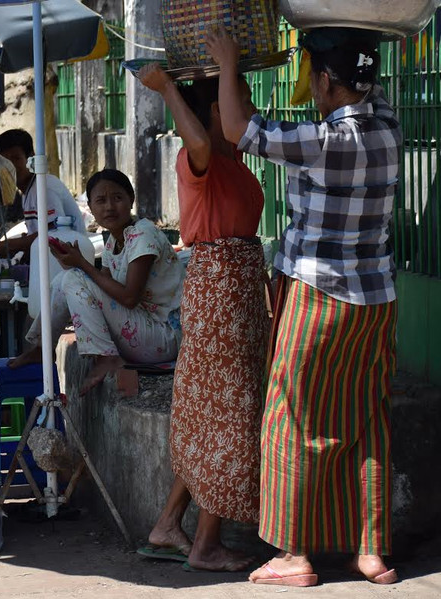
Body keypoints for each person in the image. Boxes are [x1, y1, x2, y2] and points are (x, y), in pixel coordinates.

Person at [208, 27, 402, 587]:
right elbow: (366, 84)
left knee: (292, 415)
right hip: (376, 301)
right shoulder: (387, 126)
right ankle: (371, 550)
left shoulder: (319, 141)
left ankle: (294, 554)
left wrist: (226, 63)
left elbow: (237, 129)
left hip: (317, 297)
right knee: (366, 416)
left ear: (323, 80)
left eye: (314, 75)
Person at [135, 67, 268, 572]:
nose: (250, 108)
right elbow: (195, 137)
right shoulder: (198, 159)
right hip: (220, 291)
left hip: (237, 288)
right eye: (241, 98)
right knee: (228, 414)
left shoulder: (233, 156)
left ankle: (168, 525)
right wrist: (167, 89)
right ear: (216, 109)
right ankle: (206, 545)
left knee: (212, 413)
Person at [11, 169, 185, 392]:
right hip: (141, 330)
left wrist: (82, 266)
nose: (110, 207)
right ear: (91, 209)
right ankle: (41, 349)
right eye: (101, 201)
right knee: (66, 277)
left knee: (74, 276)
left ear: (131, 200)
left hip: (163, 337)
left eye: (118, 198)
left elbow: (129, 297)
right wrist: (72, 264)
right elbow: (100, 287)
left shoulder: (143, 235)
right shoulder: (113, 241)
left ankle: (106, 357)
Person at [0, 129, 86, 259]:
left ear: (30, 157)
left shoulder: (44, 188)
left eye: (16, 158)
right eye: (5, 161)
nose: (10, 167)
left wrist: (8, 245)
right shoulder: (27, 191)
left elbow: (54, 233)